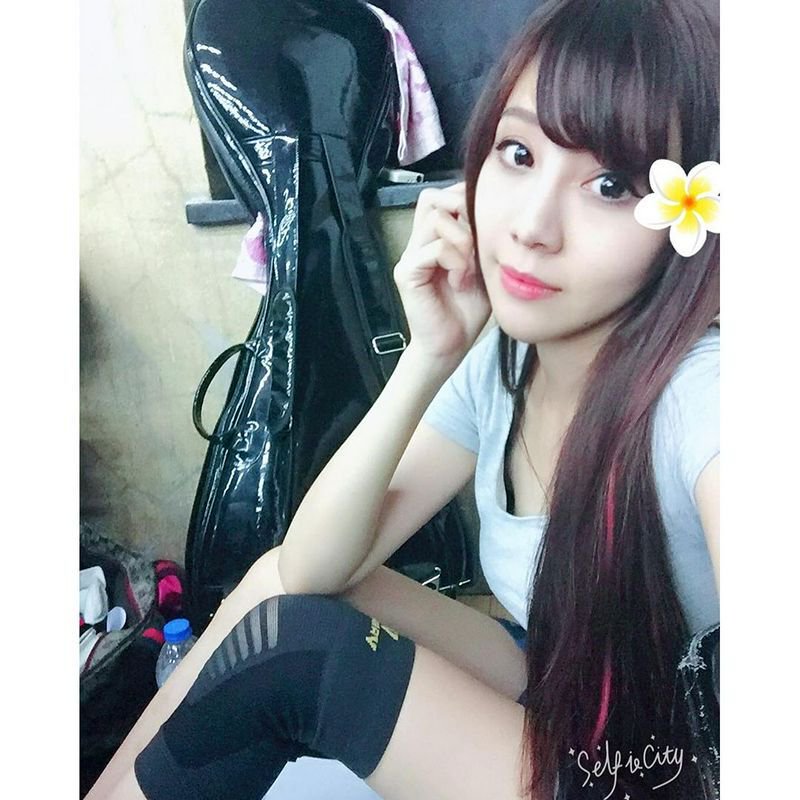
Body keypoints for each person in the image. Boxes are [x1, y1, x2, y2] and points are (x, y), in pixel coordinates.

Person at [87, 0, 719, 798]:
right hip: (569, 681)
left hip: (661, 768)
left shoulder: (706, 396)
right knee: (287, 584)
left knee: (302, 661)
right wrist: (428, 356)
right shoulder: (503, 362)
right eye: (519, 153)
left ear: (693, 218)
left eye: (610, 184)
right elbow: (312, 564)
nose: (532, 226)